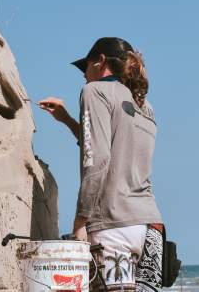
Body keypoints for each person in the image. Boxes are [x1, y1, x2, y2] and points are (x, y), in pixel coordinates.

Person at [38, 38, 163, 292]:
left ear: (101, 62)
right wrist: (69, 121)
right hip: (151, 228)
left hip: (113, 224)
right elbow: (116, 150)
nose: (84, 74)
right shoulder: (145, 105)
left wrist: (80, 222)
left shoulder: (94, 91)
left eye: (86, 66)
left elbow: (98, 159)